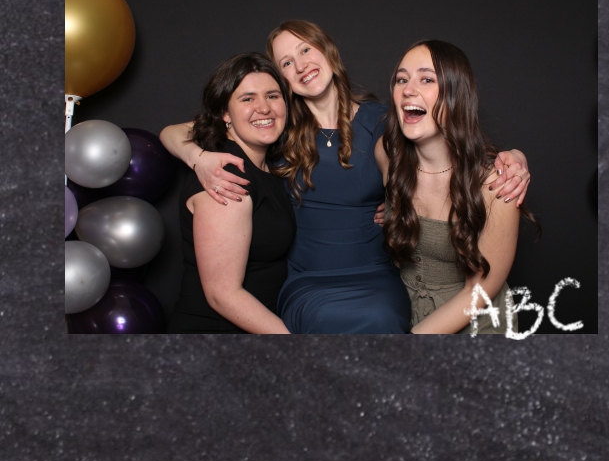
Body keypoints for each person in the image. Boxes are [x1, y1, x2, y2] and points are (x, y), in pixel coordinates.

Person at [161, 22, 531, 336]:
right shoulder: (274, 124)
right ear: (281, 78)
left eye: (306, 50)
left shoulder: (381, 120)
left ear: (328, 51)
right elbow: (177, 131)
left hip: (374, 277)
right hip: (308, 280)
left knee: (379, 324)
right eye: (286, 62)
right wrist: (199, 157)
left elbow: (418, 161)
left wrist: (510, 159)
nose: (300, 65)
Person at [383, 39, 540, 333]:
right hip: (402, 314)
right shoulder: (389, 157)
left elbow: (478, 292)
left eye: (426, 79)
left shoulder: (497, 184)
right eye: (401, 79)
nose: (408, 90)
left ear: (456, 94)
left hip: (475, 324)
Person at [168, 55, 295, 333]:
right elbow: (222, 295)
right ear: (225, 113)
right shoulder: (226, 176)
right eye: (248, 99)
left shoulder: (268, 168)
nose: (264, 108)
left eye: (272, 96)